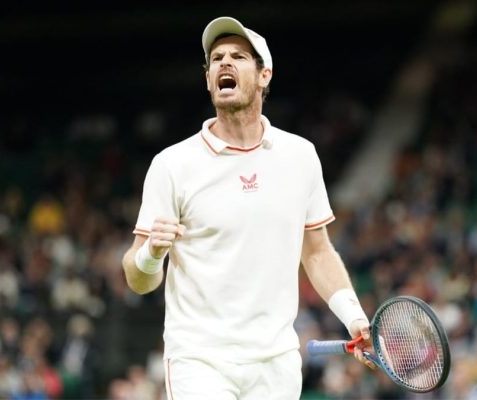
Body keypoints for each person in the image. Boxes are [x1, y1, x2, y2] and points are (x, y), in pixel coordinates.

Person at [122, 16, 373, 399]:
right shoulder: (172, 164)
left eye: (238, 56)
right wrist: (152, 255)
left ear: (263, 75)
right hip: (198, 359)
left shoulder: (300, 156)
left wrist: (353, 316)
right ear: (209, 80)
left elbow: (317, 252)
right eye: (216, 58)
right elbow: (138, 280)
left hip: (277, 362)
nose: (224, 62)